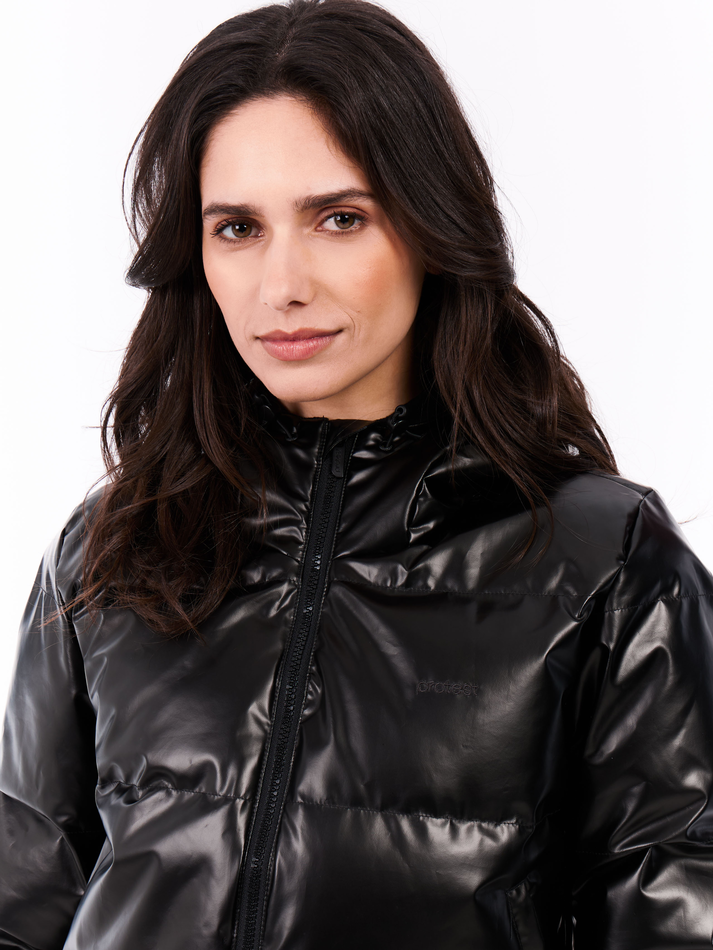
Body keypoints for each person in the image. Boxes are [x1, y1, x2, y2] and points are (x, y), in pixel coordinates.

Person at [1, 0, 712, 946]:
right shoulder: (112, 549)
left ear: (428, 224)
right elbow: (24, 900)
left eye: (338, 219)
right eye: (236, 228)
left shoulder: (600, 560)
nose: (281, 286)